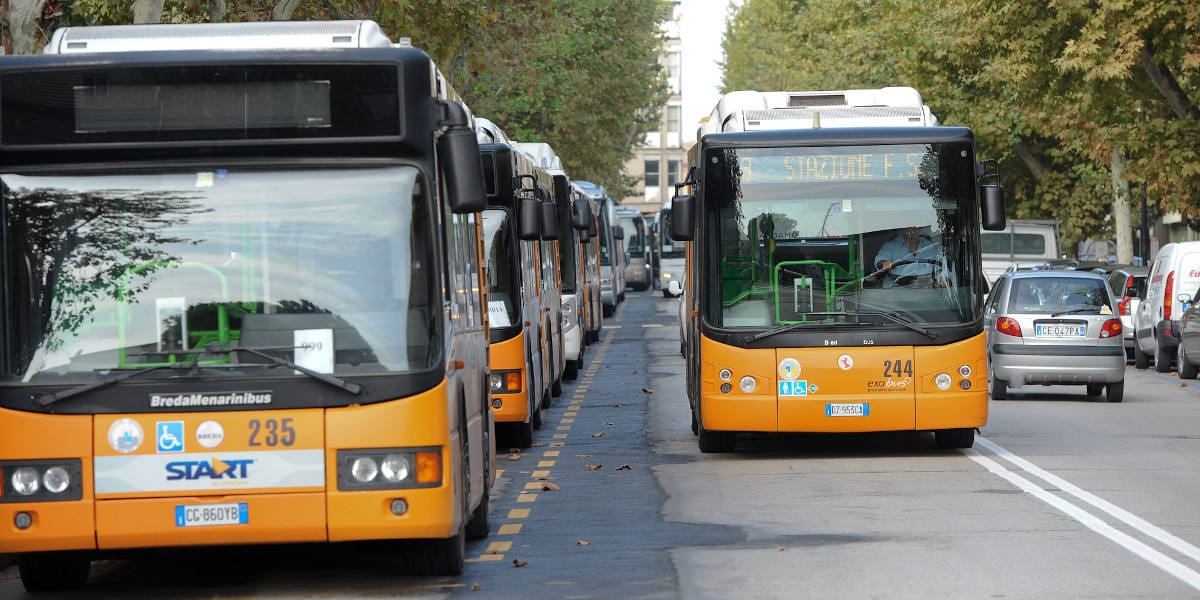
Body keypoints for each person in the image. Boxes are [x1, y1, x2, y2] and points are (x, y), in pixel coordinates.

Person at [873, 226, 945, 288]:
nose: (911, 230)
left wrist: (941, 280)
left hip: (926, 288)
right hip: (896, 289)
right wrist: (885, 263)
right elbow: (880, 260)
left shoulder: (931, 246)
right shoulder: (891, 246)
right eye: (908, 227)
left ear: (920, 228)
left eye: (915, 227)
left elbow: (942, 267)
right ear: (902, 229)